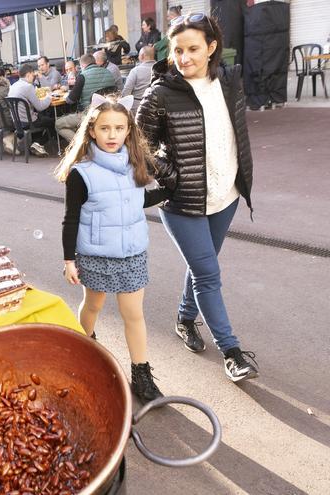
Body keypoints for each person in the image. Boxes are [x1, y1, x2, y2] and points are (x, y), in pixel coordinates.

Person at [136, 13, 258, 382]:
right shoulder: (159, 93)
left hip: (228, 193)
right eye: (177, 50)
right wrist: (171, 176)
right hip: (184, 202)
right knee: (208, 273)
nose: (184, 58)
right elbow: (138, 144)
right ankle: (232, 352)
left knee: (201, 266)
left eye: (192, 49)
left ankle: (184, 319)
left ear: (211, 47)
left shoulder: (230, 82)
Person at [55, 93, 167, 402]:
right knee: (93, 306)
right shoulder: (81, 174)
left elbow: (136, 201)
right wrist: (69, 260)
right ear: (91, 131)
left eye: (119, 128)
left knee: (134, 314)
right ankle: (84, 343)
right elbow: (71, 218)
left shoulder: (135, 165)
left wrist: (168, 193)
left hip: (131, 254)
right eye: (105, 128)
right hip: (96, 255)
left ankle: (141, 374)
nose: (112, 135)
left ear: (128, 130)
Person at [55, 53, 116, 145]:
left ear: (82, 65)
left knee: (58, 124)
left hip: (89, 114)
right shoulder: (108, 73)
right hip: (108, 112)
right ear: (94, 62)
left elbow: (70, 100)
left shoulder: (82, 76)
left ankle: (82, 145)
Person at [7, 62, 53, 156]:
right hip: (27, 121)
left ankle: (35, 144)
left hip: (16, 121)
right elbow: (40, 107)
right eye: (33, 76)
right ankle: (38, 143)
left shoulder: (14, 86)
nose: (34, 78)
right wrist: (49, 96)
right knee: (53, 122)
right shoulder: (28, 87)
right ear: (28, 75)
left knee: (39, 117)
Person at [121, 46, 157, 113]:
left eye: (139, 55)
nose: (138, 57)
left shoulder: (135, 71)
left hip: (137, 107)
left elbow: (126, 92)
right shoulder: (161, 69)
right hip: (156, 106)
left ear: (142, 56)